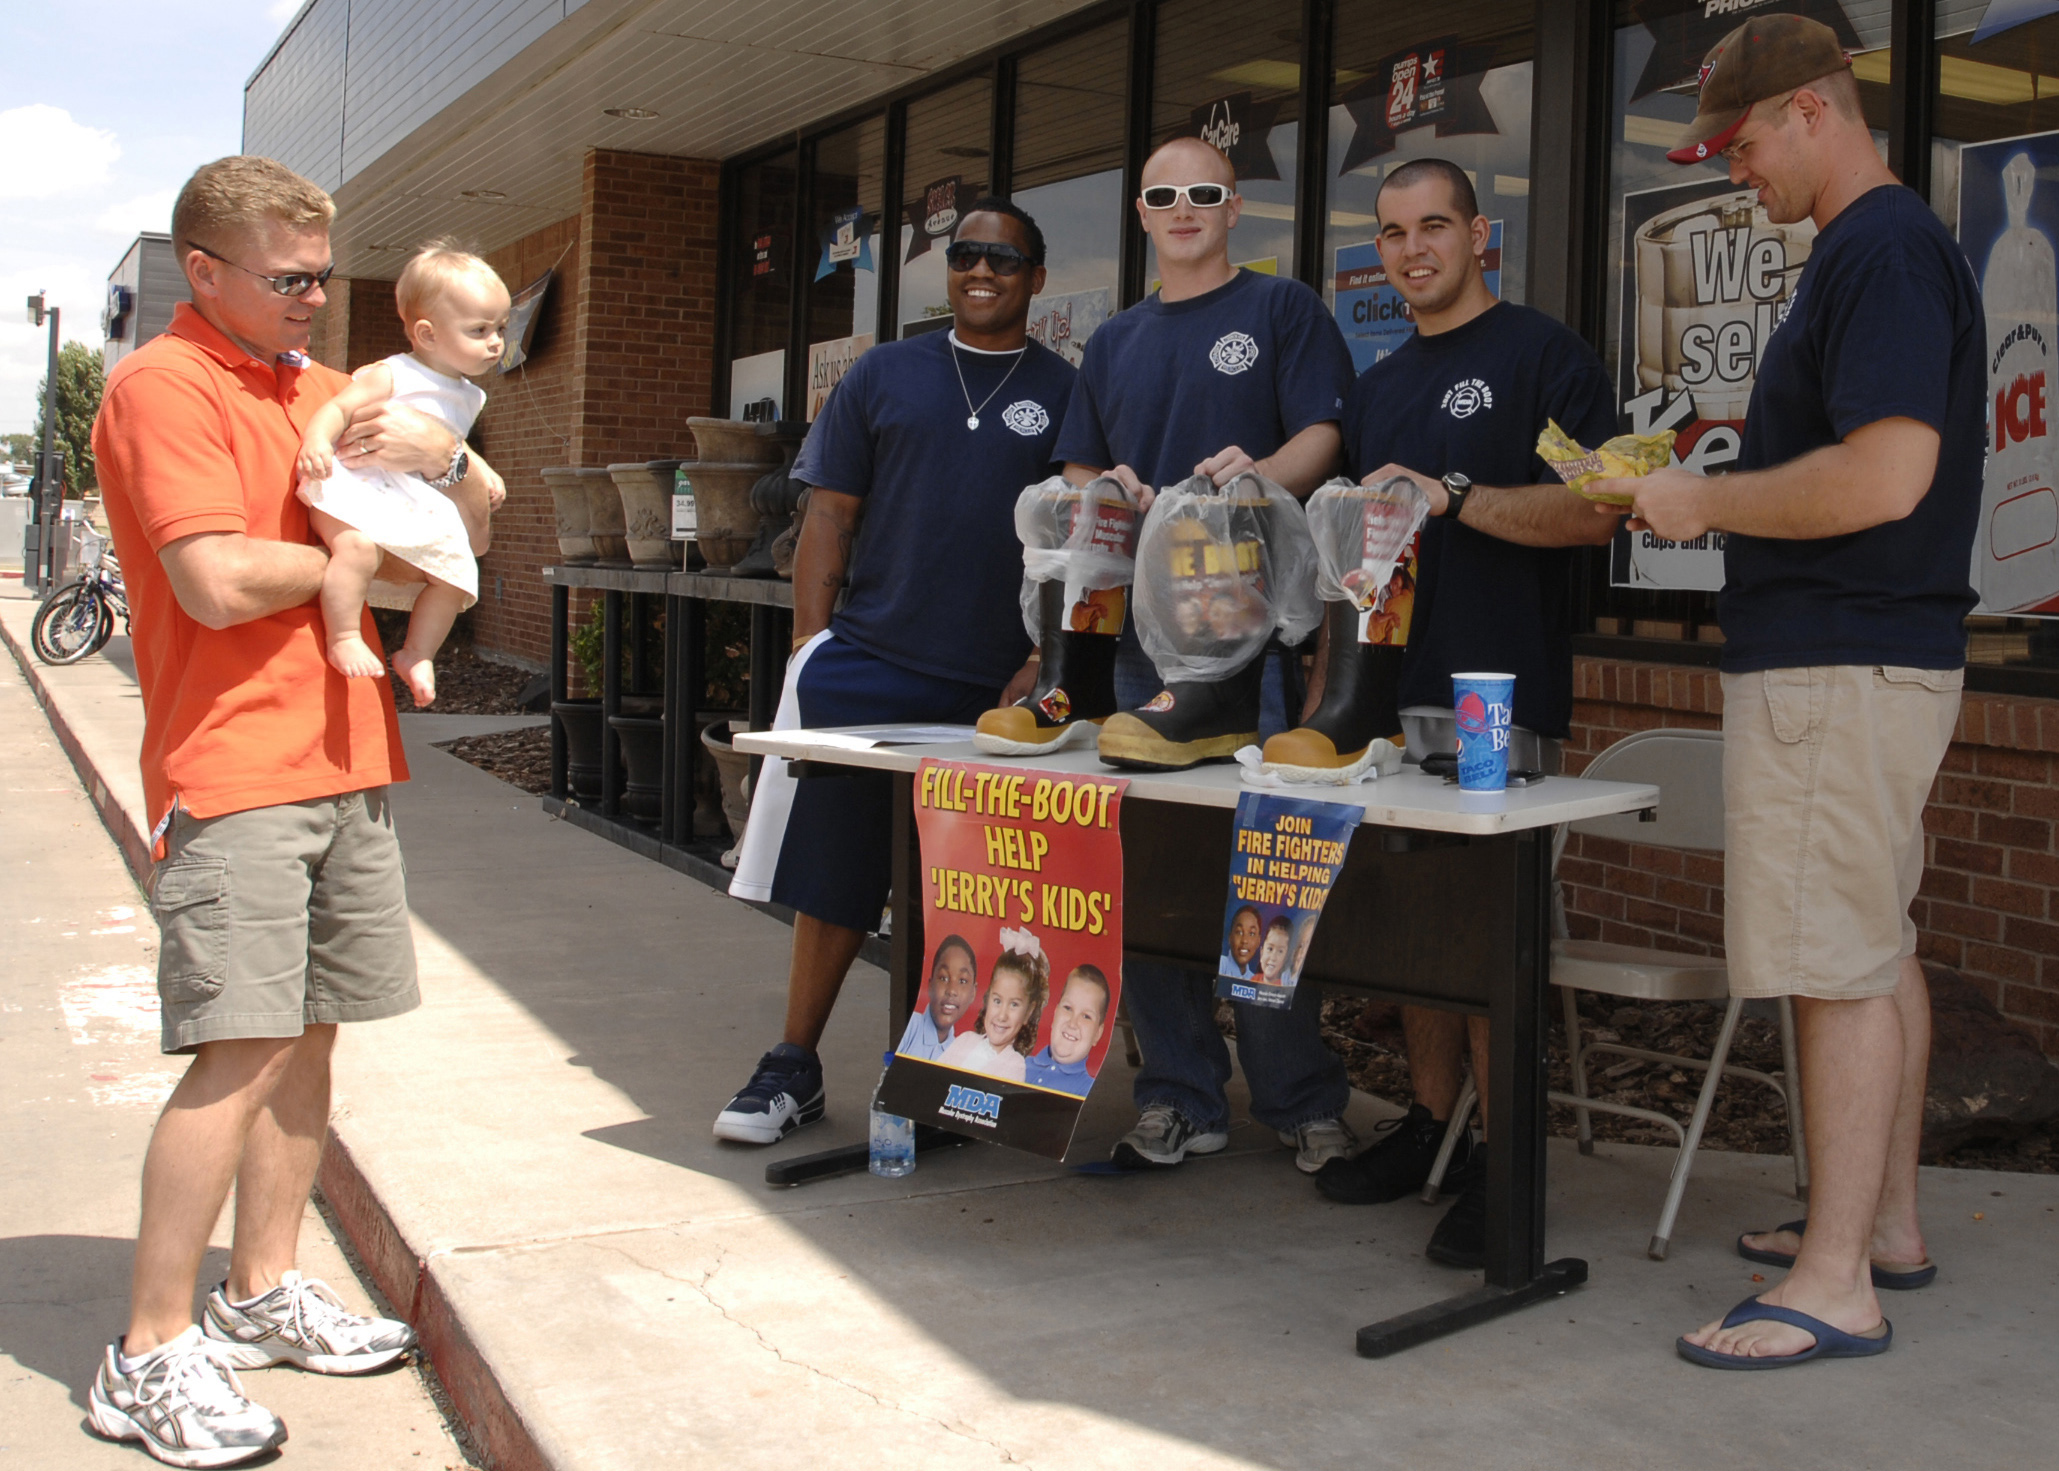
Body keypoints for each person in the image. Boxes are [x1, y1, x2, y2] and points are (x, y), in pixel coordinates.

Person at [85, 155, 496, 1468]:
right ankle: (144, 1350)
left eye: (324, 274)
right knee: (239, 1045)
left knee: (311, 1038)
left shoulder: (324, 386)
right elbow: (209, 577)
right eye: (287, 278)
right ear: (201, 269)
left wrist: (450, 459)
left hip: (348, 756)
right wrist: (364, 562)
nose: (317, 298)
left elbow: (467, 492)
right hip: (236, 766)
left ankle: (260, 1289)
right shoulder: (164, 384)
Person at [1601, 15, 1981, 1368]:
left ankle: (1829, 1285)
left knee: (1827, 968)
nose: (1730, 169)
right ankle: (1878, 1229)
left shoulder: (1874, 247)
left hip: (1832, 659)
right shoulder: (1878, 249)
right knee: (1872, 945)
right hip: (1867, 656)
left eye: (1741, 140)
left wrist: (1698, 499)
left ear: (1811, 111)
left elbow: (1884, 475)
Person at [1305, 157, 1618, 1271]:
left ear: (1481, 235)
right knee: (1409, 935)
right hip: (1394, 697)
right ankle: (1433, 1126)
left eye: (1433, 225)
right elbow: (1357, 566)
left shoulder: (1542, 356)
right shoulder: (1379, 387)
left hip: (1498, 694)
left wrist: (1461, 497)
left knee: (1484, 938)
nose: (1411, 248)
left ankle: (1500, 1156)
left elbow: (1595, 512)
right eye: (1390, 233)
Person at [716, 198, 1069, 1144]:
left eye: (1003, 257)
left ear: (1036, 277)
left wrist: (1041, 659)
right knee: (833, 875)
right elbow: (826, 517)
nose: (980, 270)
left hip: (993, 689)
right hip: (868, 666)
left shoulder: (1067, 389)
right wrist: (810, 643)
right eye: (964, 255)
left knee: (968, 887)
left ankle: (943, 1072)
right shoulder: (883, 372)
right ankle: (792, 1063)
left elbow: (1080, 541)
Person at [1054, 135, 1358, 1173]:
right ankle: (1179, 1093)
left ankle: (1299, 1097)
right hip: (1147, 648)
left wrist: (1258, 477)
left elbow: (1322, 434)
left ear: (1235, 210)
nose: (1183, 208)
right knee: (1155, 876)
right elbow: (1081, 462)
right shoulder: (1115, 341)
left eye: (1203, 193)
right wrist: (1112, 491)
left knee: (1271, 866)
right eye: (1162, 195)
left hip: (1257, 639)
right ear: (1140, 214)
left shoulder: (1281, 311)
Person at [296, 242, 511, 706]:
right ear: (428, 335)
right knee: (355, 548)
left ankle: (417, 652)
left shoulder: (469, 395)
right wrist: (316, 441)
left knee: (456, 574)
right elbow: (337, 408)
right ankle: (345, 636)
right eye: (479, 329)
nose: (495, 341)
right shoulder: (392, 373)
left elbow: (452, 436)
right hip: (354, 486)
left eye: (500, 328)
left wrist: (481, 468)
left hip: (406, 493)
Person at [940, 946, 1050, 1083]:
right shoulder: (965, 1040)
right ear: (987, 999)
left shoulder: (1014, 1066)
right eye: (997, 1001)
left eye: (1014, 1004)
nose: (1002, 1016)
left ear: (1028, 1012)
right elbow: (934, 1079)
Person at [1024, 965, 1111, 1097]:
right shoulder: (1018, 1064)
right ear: (1055, 1013)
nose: (1073, 1023)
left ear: (1097, 1034)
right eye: (1068, 1008)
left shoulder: (1089, 1091)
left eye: (1086, 1016)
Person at [898, 935, 980, 1061]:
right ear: (930, 985)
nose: (952, 990)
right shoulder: (909, 1026)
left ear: (973, 993)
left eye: (962, 981)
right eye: (943, 978)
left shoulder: (960, 1055)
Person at [1223, 903, 1262, 976]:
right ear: (1230, 937)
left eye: (1251, 934)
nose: (1244, 940)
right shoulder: (1222, 965)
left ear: (1258, 941)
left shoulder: (1252, 979)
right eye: (1239, 932)